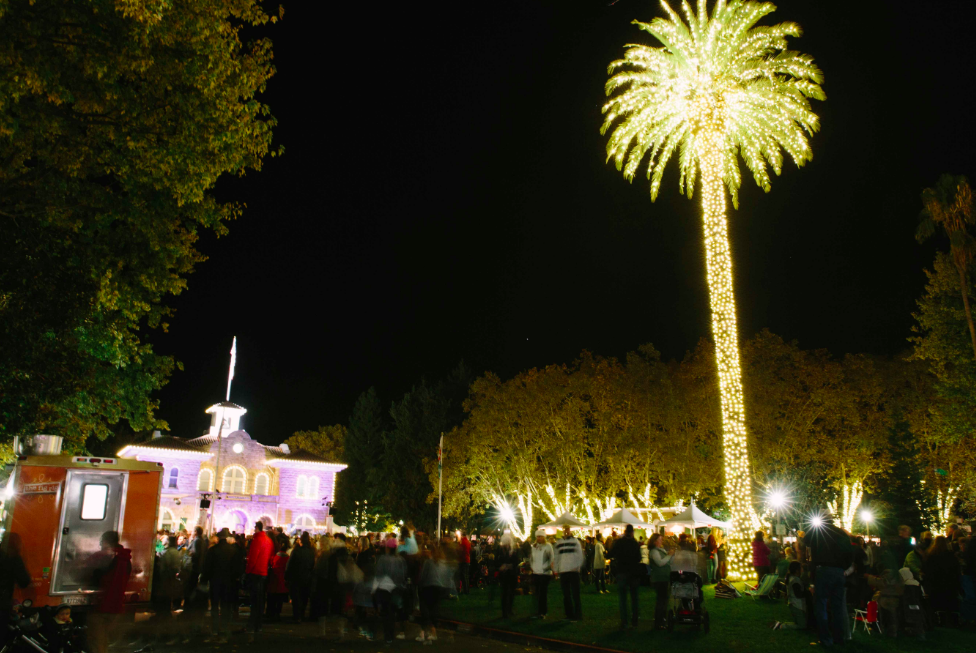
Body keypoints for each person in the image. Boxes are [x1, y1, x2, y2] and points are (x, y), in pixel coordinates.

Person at [807, 520, 853, 647]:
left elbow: (806, 542)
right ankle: (839, 637)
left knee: (821, 604)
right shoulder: (841, 533)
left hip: (823, 570)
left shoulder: (818, 532)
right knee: (837, 606)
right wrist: (843, 567)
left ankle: (825, 638)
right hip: (839, 571)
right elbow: (850, 553)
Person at [89, 531, 132, 653]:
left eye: (102, 541)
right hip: (116, 604)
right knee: (104, 640)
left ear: (106, 541)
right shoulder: (125, 558)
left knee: (96, 640)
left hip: (103, 604)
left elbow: (95, 575)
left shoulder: (105, 556)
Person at [201, 527, 243, 643]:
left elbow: (206, 568)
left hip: (215, 582)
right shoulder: (234, 550)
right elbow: (238, 568)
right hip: (229, 583)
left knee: (214, 608)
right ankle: (224, 633)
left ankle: (214, 632)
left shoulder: (213, 551)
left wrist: (204, 580)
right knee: (226, 608)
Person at [244, 521, 275, 641]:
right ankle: (258, 624)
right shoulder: (268, 540)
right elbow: (271, 556)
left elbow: (253, 558)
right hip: (264, 573)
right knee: (260, 600)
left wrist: (247, 572)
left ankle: (252, 624)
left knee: (254, 601)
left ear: (256, 528)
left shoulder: (257, 540)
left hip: (255, 572)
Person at [373, 538, 407, 645]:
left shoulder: (383, 559)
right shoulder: (401, 560)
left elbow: (378, 574)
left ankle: (388, 635)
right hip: (396, 588)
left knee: (386, 612)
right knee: (393, 611)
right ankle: (391, 634)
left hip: (385, 588)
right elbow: (404, 574)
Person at [922, 535, 961, 623]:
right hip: (950, 583)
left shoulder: (931, 555)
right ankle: (953, 619)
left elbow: (926, 570)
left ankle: (939, 619)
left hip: (935, 584)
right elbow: (956, 570)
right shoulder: (951, 556)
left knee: (938, 603)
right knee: (950, 602)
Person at [613, 524, 642, 630]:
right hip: (633, 572)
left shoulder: (619, 542)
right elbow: (639, 558)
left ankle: (624, 621)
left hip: (622, 571)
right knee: (634, 598)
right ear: (632, 532)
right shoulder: (634, 543)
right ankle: (634, 620)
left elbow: (612, 553)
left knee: (623, 598)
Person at [554, 525, 584, 621]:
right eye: (564, 530)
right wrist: (556, 569)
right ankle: (569, 614)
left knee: (575, 594)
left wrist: (577, 565)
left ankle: (578, 615)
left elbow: (580, 555)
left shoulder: (575, 542)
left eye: (567, 529)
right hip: (564, 570)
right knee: (566, 594)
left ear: (570, 530)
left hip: (573, 570)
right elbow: (556, 556)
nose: (566, 531)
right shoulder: (559, 543)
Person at [286, 532, 315, 623]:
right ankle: (301, 614)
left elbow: (290, 564)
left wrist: (287, 576)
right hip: (307, 577)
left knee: (296, 597)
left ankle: (296, 615)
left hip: (296, 576)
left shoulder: (296, 551)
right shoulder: (311, 552)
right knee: (304, 597)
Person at [647, 533, 673, 630]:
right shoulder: (654, 552)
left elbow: (667, 561)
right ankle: (659, 621)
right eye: (660, 539)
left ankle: (662, 619)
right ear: (655, 541)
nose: (662, 541)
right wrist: (669, 555)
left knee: (664, 600)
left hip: (664, 578)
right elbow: (660, 563)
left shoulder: (660, 550)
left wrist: (670, 555)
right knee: (661, 601)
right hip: (659, 579)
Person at [775, 561, 812, 630]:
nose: (802, 569)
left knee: (800, 622)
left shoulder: (791, 578)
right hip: (796, 605)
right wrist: (809, 592)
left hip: (793, 604)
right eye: (801, 567)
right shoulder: (795, 580)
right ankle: (781, 626)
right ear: (797, 570)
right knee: (802, 626)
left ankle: (781, 624)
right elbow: (799, 594)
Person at [528, 529, 554, 619]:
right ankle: (538, 611)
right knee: (537, 593)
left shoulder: (548, 546)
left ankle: (543, 612)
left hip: (544, 573)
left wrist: (546, 567)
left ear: (544, 537)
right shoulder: (534, 547)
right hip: (536, 572)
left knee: (543, 593)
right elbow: (531, 558)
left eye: (540, 536)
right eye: (537, 537)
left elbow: (552, 558)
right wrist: (532, 567)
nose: (538, 538)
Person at [266, 538, 290, 622]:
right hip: (282, 582)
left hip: (274, 581)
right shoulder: (288, 558)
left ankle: (271, 613)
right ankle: (277, 614)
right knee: (280, 600)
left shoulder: (275, 557)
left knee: (272, 598)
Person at [498, 533, 519, 619]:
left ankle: (509, 609)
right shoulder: (500, 551)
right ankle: (504, 612)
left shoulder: (514, 550)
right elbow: (497, 561)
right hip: (504, 575)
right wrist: (501, 566)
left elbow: (516, 561)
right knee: (505, 593)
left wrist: (509, 566)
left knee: (511, 593)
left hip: (512, 574)